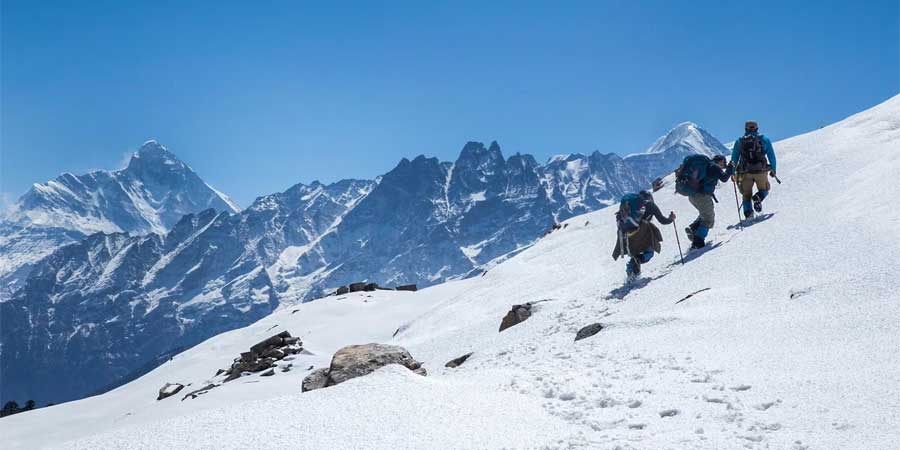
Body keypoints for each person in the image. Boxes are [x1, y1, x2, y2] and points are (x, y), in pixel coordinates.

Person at [612, 190, 676, 279]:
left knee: (635, 254)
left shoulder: (630, 209)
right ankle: (636, 265)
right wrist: (671, 218)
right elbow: (663, 220)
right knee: (649, 252)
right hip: (642, 235)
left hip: (628, 236)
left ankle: (631, 273)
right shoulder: (650, 205)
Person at [675, 154, 734, 249]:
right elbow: (724, 178)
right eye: (724, 163)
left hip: (693, 195)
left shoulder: (706, 165)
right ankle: (698, 241)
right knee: (708, 218)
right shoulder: (715, 167)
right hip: (702, 195)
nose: (724, 166)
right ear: (720, 161)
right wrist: (730, 168)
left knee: (704, 213)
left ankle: (693, 228)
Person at [730, 120, 777, 219]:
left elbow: (734, 158)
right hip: (761, 171)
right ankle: (758, 197)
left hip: (745, 172)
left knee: (746, 194)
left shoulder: (739, 141)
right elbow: (771, 155)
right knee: (764, 189)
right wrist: (773, 169)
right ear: (757, 128)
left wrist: (733, 172)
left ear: (745, 129)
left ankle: (748, 215)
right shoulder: (764, 139)